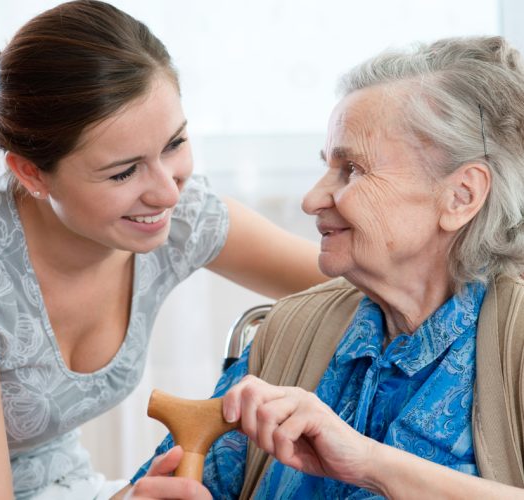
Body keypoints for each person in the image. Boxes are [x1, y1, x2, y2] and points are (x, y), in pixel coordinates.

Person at [0, 1, 325, 498]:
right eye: (123, 172)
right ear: (31, 172)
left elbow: (353, 279)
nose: (168, 192)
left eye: (174, 143)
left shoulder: (180, 215)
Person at [126, 35, 524, 499]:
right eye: (326, 167)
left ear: (461, 196)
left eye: (351, 169)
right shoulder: (290, 329)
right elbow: (161, 487)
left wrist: (371, 464)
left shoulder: (512, 342)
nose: (312, 199)